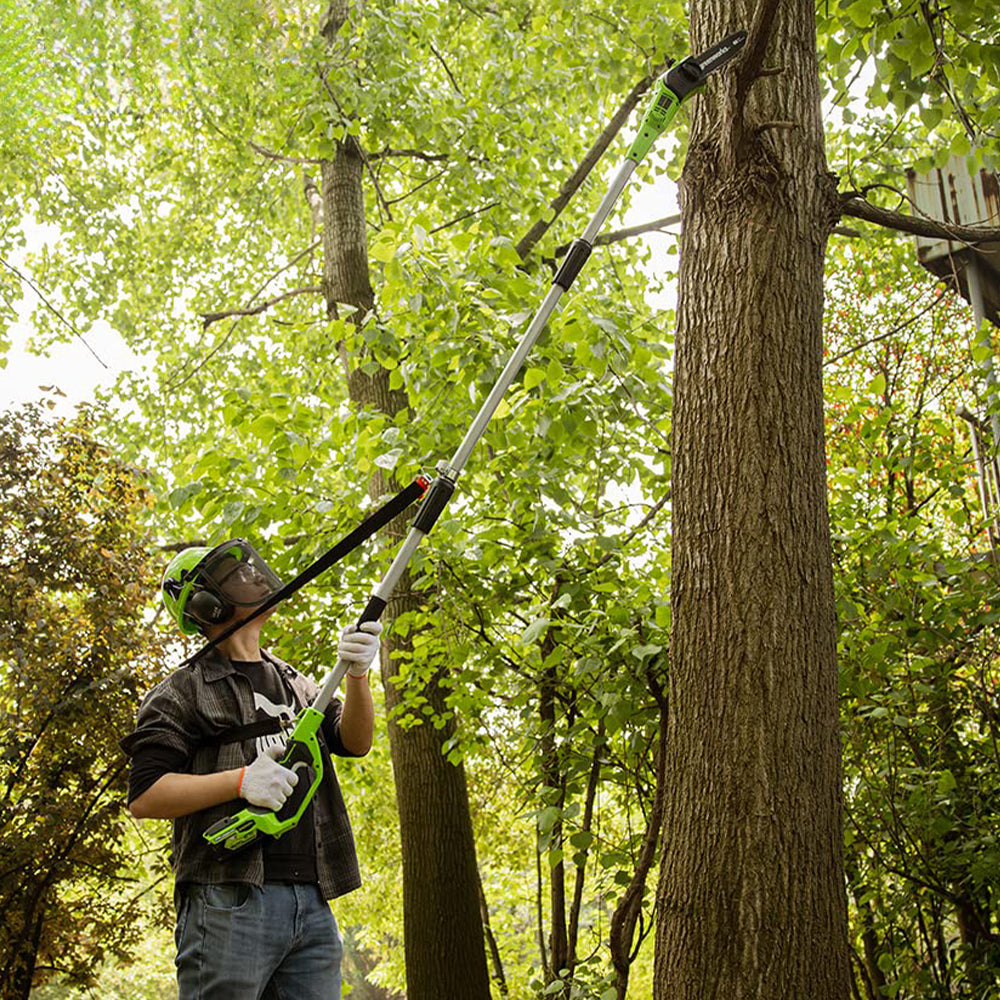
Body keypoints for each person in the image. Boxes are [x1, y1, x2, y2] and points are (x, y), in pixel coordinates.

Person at [121, 537, 381, 1000]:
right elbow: (145, 795)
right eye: (236, 575)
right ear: (207, 605)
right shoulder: (181, 691)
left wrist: (358, 676)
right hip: (228, 900)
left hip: (313, 900)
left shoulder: (293, 681)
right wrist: (240, 782)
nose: (257, 576)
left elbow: (353, 740)